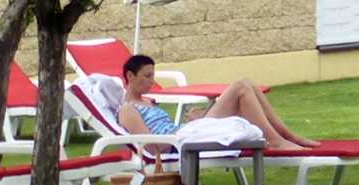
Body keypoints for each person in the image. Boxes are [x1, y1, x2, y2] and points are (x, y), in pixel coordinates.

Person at [116, 54, 320, 152]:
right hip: (180, 141)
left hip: (186, 131)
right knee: (240, 87)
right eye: (147, 76)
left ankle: (286, 135)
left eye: (153, 75)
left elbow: (164, 130)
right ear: (130, 76)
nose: (152, 81)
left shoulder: (148, 101)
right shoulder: (128, 109)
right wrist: (186, 129)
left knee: (247, 84)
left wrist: (195, 120)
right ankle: (276, 140)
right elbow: (153, 147)